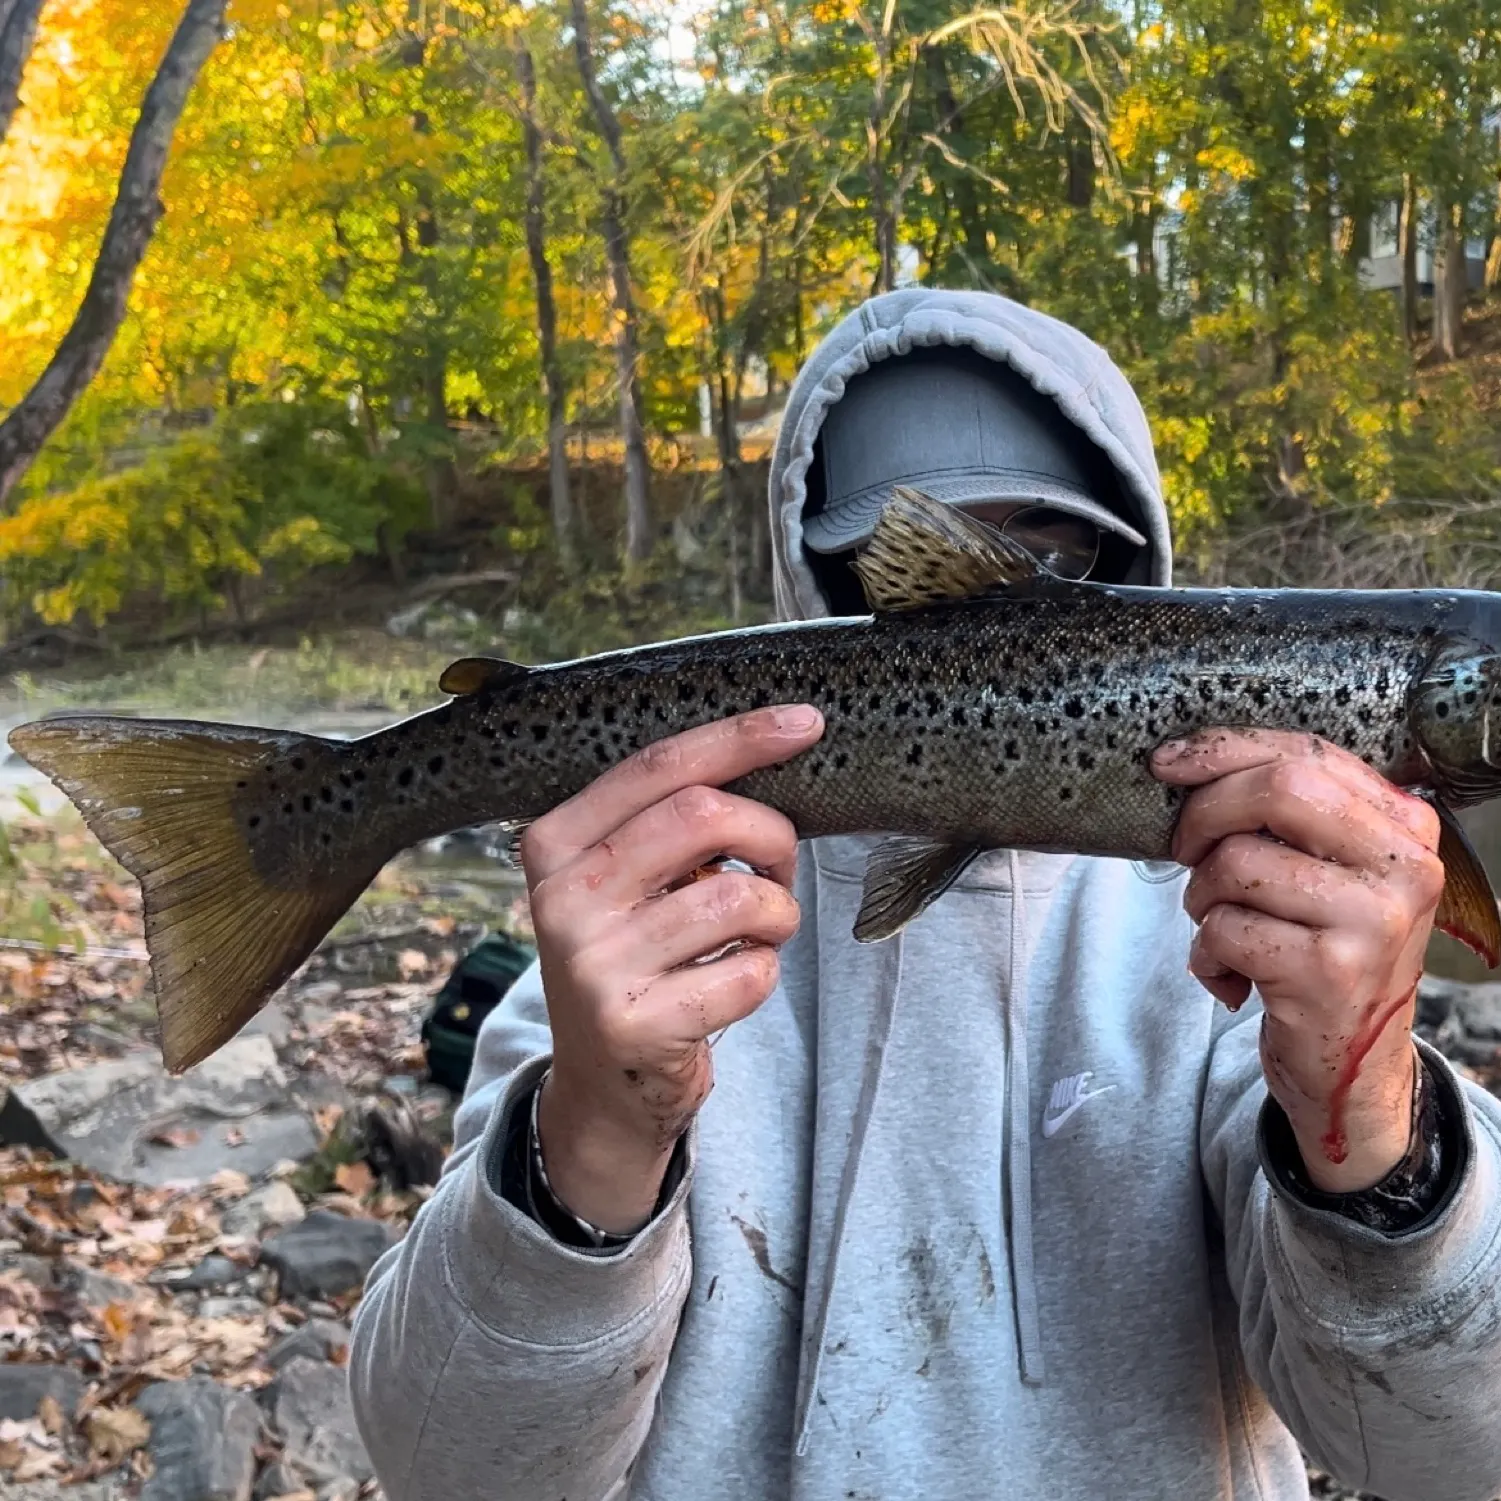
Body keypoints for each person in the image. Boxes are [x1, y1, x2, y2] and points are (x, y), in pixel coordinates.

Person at [348, 289, 1501, 1501]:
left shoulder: (1242, 953)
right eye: (887, 570)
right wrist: (593, 1128)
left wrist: (1374, 1127)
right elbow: (449, 1472)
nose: (982, 622)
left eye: (1053, 565)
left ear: (1132, 572)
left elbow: (1456, 1461)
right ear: (813, 584)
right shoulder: (623, 963)